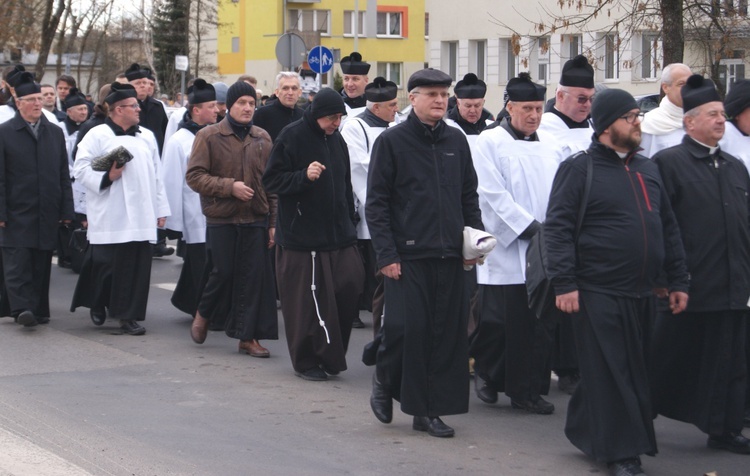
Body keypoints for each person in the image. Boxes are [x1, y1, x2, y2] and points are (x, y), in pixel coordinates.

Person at [545, 88, 689, 476]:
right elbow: (556, 230)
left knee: (630, 368)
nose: (638, 122)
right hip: (597, 291)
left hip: (644, 291)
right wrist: (564, 283)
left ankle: (585, 428)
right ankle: (622, 453)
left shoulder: (648, 168)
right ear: (608, 125)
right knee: (613, 372)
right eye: (630, 117)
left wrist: (677, 279)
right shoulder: (580, 169)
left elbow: (667, 226)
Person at [366, 68, 484, 438]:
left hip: (451, 253)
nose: (438, 100)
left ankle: (427, 410)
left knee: (444, 334)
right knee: (405, 328)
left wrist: (474, 243)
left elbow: (469, 197)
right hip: (407, 255)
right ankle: (385, 379)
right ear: (411, 98)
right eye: (430, 93)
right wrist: (387, 256)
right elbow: (377, 204)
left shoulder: (457, 141)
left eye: (442, 94)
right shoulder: (392, 142)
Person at [650, 75, 750, 455]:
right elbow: (659, 222)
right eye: (712, 115)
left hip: (732, 284)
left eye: (723, 114)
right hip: (688, 286)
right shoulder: (668, 163)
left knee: (729, 363)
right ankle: (640, 417)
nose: (722, 121)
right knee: (665, 359)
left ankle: (723, 428)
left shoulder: (734, 166)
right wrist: (665, 278)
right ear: (689, 122)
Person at [468, 72, 561, 414]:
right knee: (499, 323)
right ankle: (488, 374)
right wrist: (526, 226)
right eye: (527, 109)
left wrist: (554, 230)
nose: (535, 115)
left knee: (537, 325)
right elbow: (490, 194)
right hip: (507, 247)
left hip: (544, 247)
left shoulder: (551, 145)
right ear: (509, 108)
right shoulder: (490, 142)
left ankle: (528, 390)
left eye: (538, 108)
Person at [262, 88, 364, 381]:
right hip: (302, 238)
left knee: (348, 288)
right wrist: (302, 177)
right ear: (318, 114)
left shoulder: (337, 140)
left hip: (340, 234)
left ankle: (332, 356)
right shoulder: (292, 137)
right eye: (332, 118)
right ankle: (307, 360)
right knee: (309, 304)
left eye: (339, 118)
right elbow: (272, 179)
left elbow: (345, 182)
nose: (336, 123)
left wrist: (349, 216)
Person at [184, 80, 278, 356]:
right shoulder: (209, 136)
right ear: (230, 107)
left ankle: (247, 338)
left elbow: (270, 184)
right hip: (222, 217)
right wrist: (230, 187)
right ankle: (203, 312)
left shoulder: (262, 137)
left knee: (253, 278)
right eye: (242, 103)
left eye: (252, 103)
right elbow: (195, 176)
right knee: (223, 271)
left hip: (255, 217)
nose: (248, 108)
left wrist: (273, 223)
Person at [71, 82, 170, 335]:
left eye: (137, 105)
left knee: (136, 267)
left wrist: (161, 209)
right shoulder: (97, 135)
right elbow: (80, 169)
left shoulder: (146, 136)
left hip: (141, 213)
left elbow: (158, 175)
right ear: (117, 110)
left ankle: (128, 316)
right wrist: (108, 176)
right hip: (110, 211)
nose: (138, 109)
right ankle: (97, 301)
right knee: (107, 266)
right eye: (133, 106)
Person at [536, 53, 595, 395]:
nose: (587, 106)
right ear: (560, 97)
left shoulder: (594, 130)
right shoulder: (545, 132)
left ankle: (580, 363)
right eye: (581, 99)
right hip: (562, 227)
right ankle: (564, 367)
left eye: (590, 100)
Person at [0, 72, 74, 327]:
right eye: (30, 99)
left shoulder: (54, 132)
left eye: (39, 99)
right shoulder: (5, 132)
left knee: (41, 262)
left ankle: (39, 309)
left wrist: (66, 208)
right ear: (18, 103)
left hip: (46, 209)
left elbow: (64, 174)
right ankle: (21, 308)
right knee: (17, 263)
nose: (37, 104)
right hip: (16, 210)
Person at [340, 77, 399, 332]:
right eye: (392, 105)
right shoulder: (355, 127)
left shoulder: (397, 126)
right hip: (367, 207)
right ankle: (355, 310)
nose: (397, 109)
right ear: (376, 107)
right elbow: (359, 166)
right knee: (365, 266)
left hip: (393, 206)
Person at [162, 79, 218, 318]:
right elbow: (172, 182)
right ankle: (202, 311)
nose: (218, 110)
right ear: (196, 110)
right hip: (194, 214)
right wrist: (173, 224)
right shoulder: (179, 141)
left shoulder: (217, 134)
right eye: (212, 106)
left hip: (217, 212)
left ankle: (187, 300)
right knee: (200, 264)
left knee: (209, 263)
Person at [57, 87, 91, 269]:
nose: (84, 112)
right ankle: (66, 254)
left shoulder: (89, 128)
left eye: (85, 108)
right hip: (70, 178)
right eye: (80, 109)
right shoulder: (61, 129)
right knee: (68, 217)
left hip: (83, 180)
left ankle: (80, 253)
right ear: (69, 111)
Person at [639, 63, 692, 157]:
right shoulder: (648, 124)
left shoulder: (702, 121)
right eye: (681, 84)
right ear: (666, 87)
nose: (688, 88)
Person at [253, 72, 304, 142]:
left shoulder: (304, 116)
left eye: (294, 88)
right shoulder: (262, 114)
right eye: (285, 88)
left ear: (300, 92)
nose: (290, 93)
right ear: (277, 92)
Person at [339, 52, 370, 118]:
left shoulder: (374, 105)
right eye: (346, 79)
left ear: (366, 80)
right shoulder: (335, 104)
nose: (350, 84)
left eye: (355, 79)